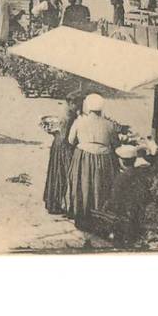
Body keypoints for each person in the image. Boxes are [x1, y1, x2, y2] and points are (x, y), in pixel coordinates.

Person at [66, 94, 118, 226]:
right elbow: (116, 144)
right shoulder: (109, 124)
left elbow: (71, 141)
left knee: (82, 185)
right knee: (100, 186)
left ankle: (81, 214)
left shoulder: (79, 122)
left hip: (83, 157)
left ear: (87, 107)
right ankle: (99, 216)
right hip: (103, 158)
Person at [103, 145, 151, 246]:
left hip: (123, 215)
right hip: (138, 213)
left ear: (121, 161)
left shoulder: (120, 178)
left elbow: (115, 199)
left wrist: (106, 206)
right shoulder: (141, 174)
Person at [42, 94, 81, 215]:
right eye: (75, 104)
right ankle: (58, 204)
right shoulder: (67, 116)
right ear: (70, 103)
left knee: (57, 174)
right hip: (63, 148)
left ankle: (54, 202)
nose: (77, 106)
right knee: (62, 175)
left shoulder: (68, 113)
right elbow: (65, 138)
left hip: (59, 145)